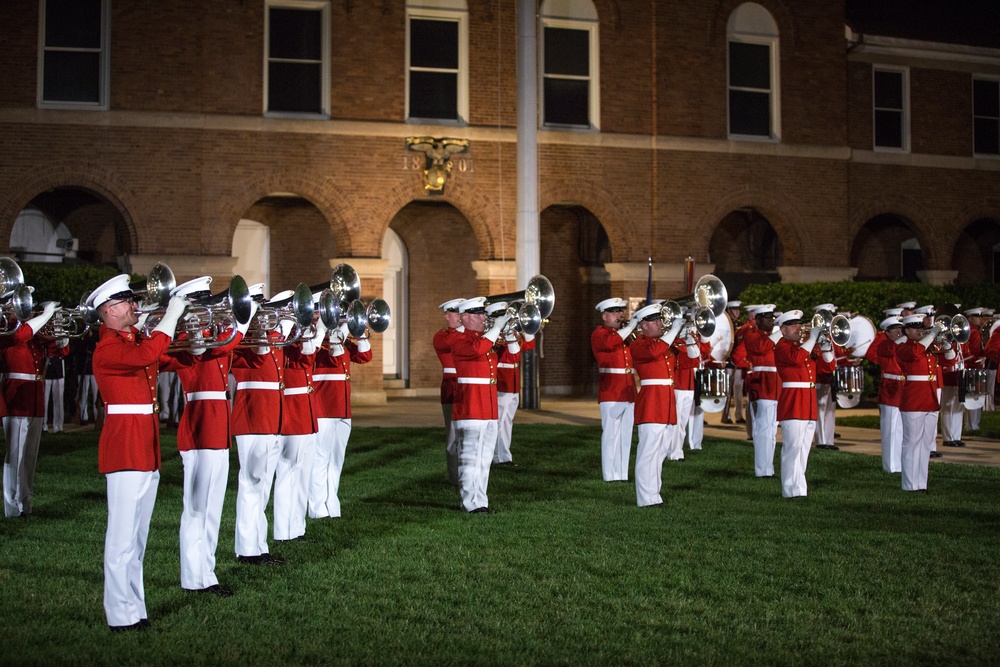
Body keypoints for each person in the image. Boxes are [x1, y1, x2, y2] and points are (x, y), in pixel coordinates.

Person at [89, 273, 188, 632]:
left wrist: (196, 344)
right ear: (110, 310)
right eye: (127, 302)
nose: (135, 306)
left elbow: (163, 359)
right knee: (121, 538)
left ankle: (135, 608)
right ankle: (118, 613)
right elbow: (147, 354)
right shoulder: (109, 348)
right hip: (125, 447)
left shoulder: (131, 341)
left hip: (144, 447)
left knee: (138, 538)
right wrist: (171, 316)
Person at [169, 277, 255, 597]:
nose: (210, 307)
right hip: (200, 428)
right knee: (196, 509)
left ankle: (207, 574)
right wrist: (242, 323)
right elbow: (220, 347)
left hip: (218, 429)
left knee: (212, 509)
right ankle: (194, 577)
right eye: (201, 302)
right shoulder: (183, 338)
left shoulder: (209, 334)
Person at [230, 283, 284, 565]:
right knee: (251, 482)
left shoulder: (269, 336)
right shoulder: (238, 340)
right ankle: (247, 548)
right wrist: (249, 325)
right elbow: (257, 356)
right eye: (255, 308)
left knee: (263, 485)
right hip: (252, 417)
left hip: (271, 417)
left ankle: (258, 544)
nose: (262, 313)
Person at [2, 300, 66, 517]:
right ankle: (11, 506)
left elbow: (61, 350)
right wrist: (44, 316)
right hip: (16, 395)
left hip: (35, 395)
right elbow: (20, 336)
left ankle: (25, 502)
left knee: (30, 454)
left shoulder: (34, 330)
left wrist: (59, 330)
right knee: (15, 453)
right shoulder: (8, 326)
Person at [451, 297, 510, 513]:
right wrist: (496, 328)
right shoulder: (459, 340)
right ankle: (469, 502)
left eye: (482, 314)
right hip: (470, 407)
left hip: (488, 408)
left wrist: (510, 335)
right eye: (477, 314)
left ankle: (480, 500)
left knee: (484, 460)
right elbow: (478, 349)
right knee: (470, 457)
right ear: (465, 318)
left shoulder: (486, 340)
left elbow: (512, 355)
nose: (483, 317)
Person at [309, 317, 372, 519]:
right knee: (320, 459)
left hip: (342, 409)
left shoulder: (340, 340)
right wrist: (342, 330)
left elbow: (365, 356)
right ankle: (317, 507)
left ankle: (331, 504)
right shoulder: (316, 341)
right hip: (324, 407)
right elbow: (335, 358)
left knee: (336, 460)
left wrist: (359, 330)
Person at [271, 290, 321, 542]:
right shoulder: (286, 334)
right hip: (293, 408)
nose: (314, 316)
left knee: (303, 472)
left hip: (306, 408)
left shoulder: (299, 332)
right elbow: (305, 357)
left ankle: (297, 527)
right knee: (288, 471)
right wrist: (318, 330)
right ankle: (283, 529)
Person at [628, 304, 684, 507]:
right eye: (655, 321)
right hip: (651, 402)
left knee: (660, 452)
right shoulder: (639, 344)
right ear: (643, 325)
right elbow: (654, 352)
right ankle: (645, 497)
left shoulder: (664, 344)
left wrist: (690, 336)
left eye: (661, 320)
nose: (661, 323)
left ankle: (654, 494)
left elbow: (691, 359)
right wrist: (675, 329)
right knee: (648, 452)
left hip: (666, 402)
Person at [896, 315, 955, 491]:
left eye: (922, 327)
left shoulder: (928, 348)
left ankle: (921, 483)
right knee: (911, 443)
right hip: (913, 400)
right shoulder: (902, 347)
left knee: (925, 445)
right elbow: (914, 354)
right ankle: (909, 485)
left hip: (930, 400)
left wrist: (946, 345)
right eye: (915, 328)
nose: (920, 331)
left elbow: (950, 361)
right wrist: (932, 334)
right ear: (907, 330)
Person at [774, 310, 827, 498]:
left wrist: (826, 347)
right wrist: (812, 340)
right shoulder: (781, 346)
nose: (799, 327)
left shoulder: (803, 346)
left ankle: (799, 489)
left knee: (804, 448)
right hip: (793, 401)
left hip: (808, 400)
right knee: (792, 447)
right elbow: (796, 359)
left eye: (799, 323)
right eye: (793, 324)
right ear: (783, 330)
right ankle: (789, 490)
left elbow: (828, 367)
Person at [590, 297, 638, 481]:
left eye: (620, 311)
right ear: (604, 316)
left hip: (628, 388)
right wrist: (629, 328)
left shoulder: (625, 336)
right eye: (614, 312)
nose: (619, 315)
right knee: (611, 433)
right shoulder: (599, 333)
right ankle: (609, 474)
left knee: (626, 434)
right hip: (610, 389)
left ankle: (622, 473)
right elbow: (609, 344)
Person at [486, 301, 536, 465]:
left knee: (506, 421)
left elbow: (529, 344)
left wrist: (527, 325)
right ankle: (498, 456)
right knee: (499, 421)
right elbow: (514, 355)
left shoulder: (510, 332)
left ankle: (502, 455)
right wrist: (508, 332)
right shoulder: (495, 335)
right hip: (502, 380)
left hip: (512, 381)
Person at [743, 305, 780, 477]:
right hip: (762, 386)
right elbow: (761, 348)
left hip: (776, 386)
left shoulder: (774, 336)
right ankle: (762, 470)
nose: (771, 320)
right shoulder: (751, 335)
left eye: (772, 317)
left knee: (771, 430)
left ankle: (768, 467)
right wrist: (782, 332)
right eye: (766, 317)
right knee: (763, 430)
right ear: (757, 320)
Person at [866, 316, 906, 473]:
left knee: (901, 430)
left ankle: (900, 464)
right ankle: (890, 466)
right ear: (886, 332)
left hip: (902, 387)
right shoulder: (884, 344)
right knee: (890, 429)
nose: (899, 331)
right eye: (895, 329)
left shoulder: (903, 344)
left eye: (900, 328)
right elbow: (890, 350)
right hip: (890, 389)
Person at [433, 298, 465, 485]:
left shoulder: (468, 334)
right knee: (453, 434)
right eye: (456, 313)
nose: (461, 317)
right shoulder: (442, 335)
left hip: (470, 385)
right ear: (446, 315)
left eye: (462, 313)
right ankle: (455, 476)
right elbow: (446, 345)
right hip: (452, 385)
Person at [811, 303, 839, 451]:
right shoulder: (814, 337)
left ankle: (829, 440)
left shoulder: (830, 336)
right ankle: (821, 441)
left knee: (830, 410)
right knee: (820, 410)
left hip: (829, 377)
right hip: (819, 378)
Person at [721, 300, 747, 425]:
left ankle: (739, 414)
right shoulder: (725, 324)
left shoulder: (741, 325)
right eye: (734, 310)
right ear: (729, 311)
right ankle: (727, 415)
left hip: (738, 362)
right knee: (727, 390)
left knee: (738, 391)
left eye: (738, 309)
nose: (737, 312)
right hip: (728, 361)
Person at [43, 353, 66, 433]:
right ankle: (43, 426)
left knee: (59, 401)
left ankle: (58, 427)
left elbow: (65, 350)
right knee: (43, 401)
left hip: (58, 367)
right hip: (45, 367)